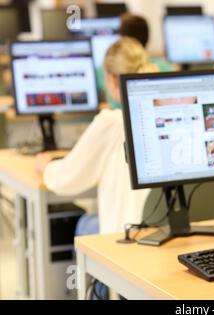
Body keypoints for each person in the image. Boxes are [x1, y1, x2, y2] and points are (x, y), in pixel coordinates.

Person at [35, 37, 156, 235]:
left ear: (111, 79)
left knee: (85, 223)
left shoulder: (112, 122)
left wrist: (46, 167)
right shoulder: (162, 116)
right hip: (164, 233)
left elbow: (68, 179)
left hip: (127, 236)